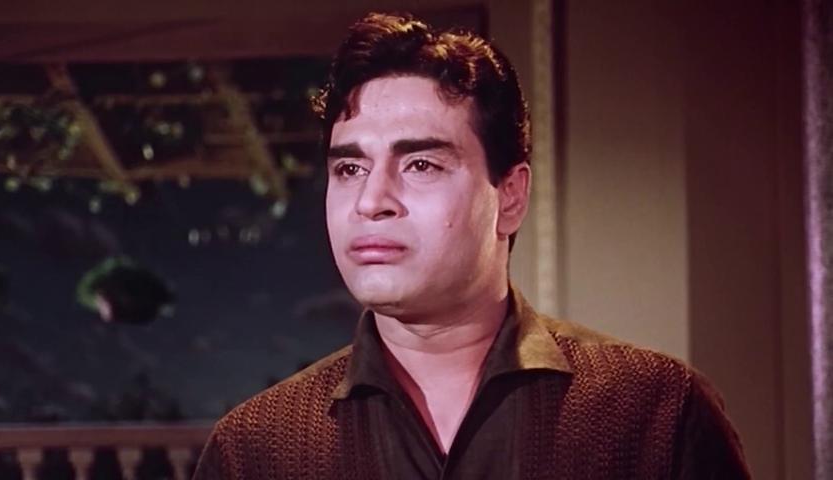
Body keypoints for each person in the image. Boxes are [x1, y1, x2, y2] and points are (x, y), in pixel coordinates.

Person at [192, 12, 751, 480]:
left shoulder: (655, 413)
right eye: (350, 168)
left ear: (510, 196)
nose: (371, 201)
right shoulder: (256, 451)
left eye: (421, 164)